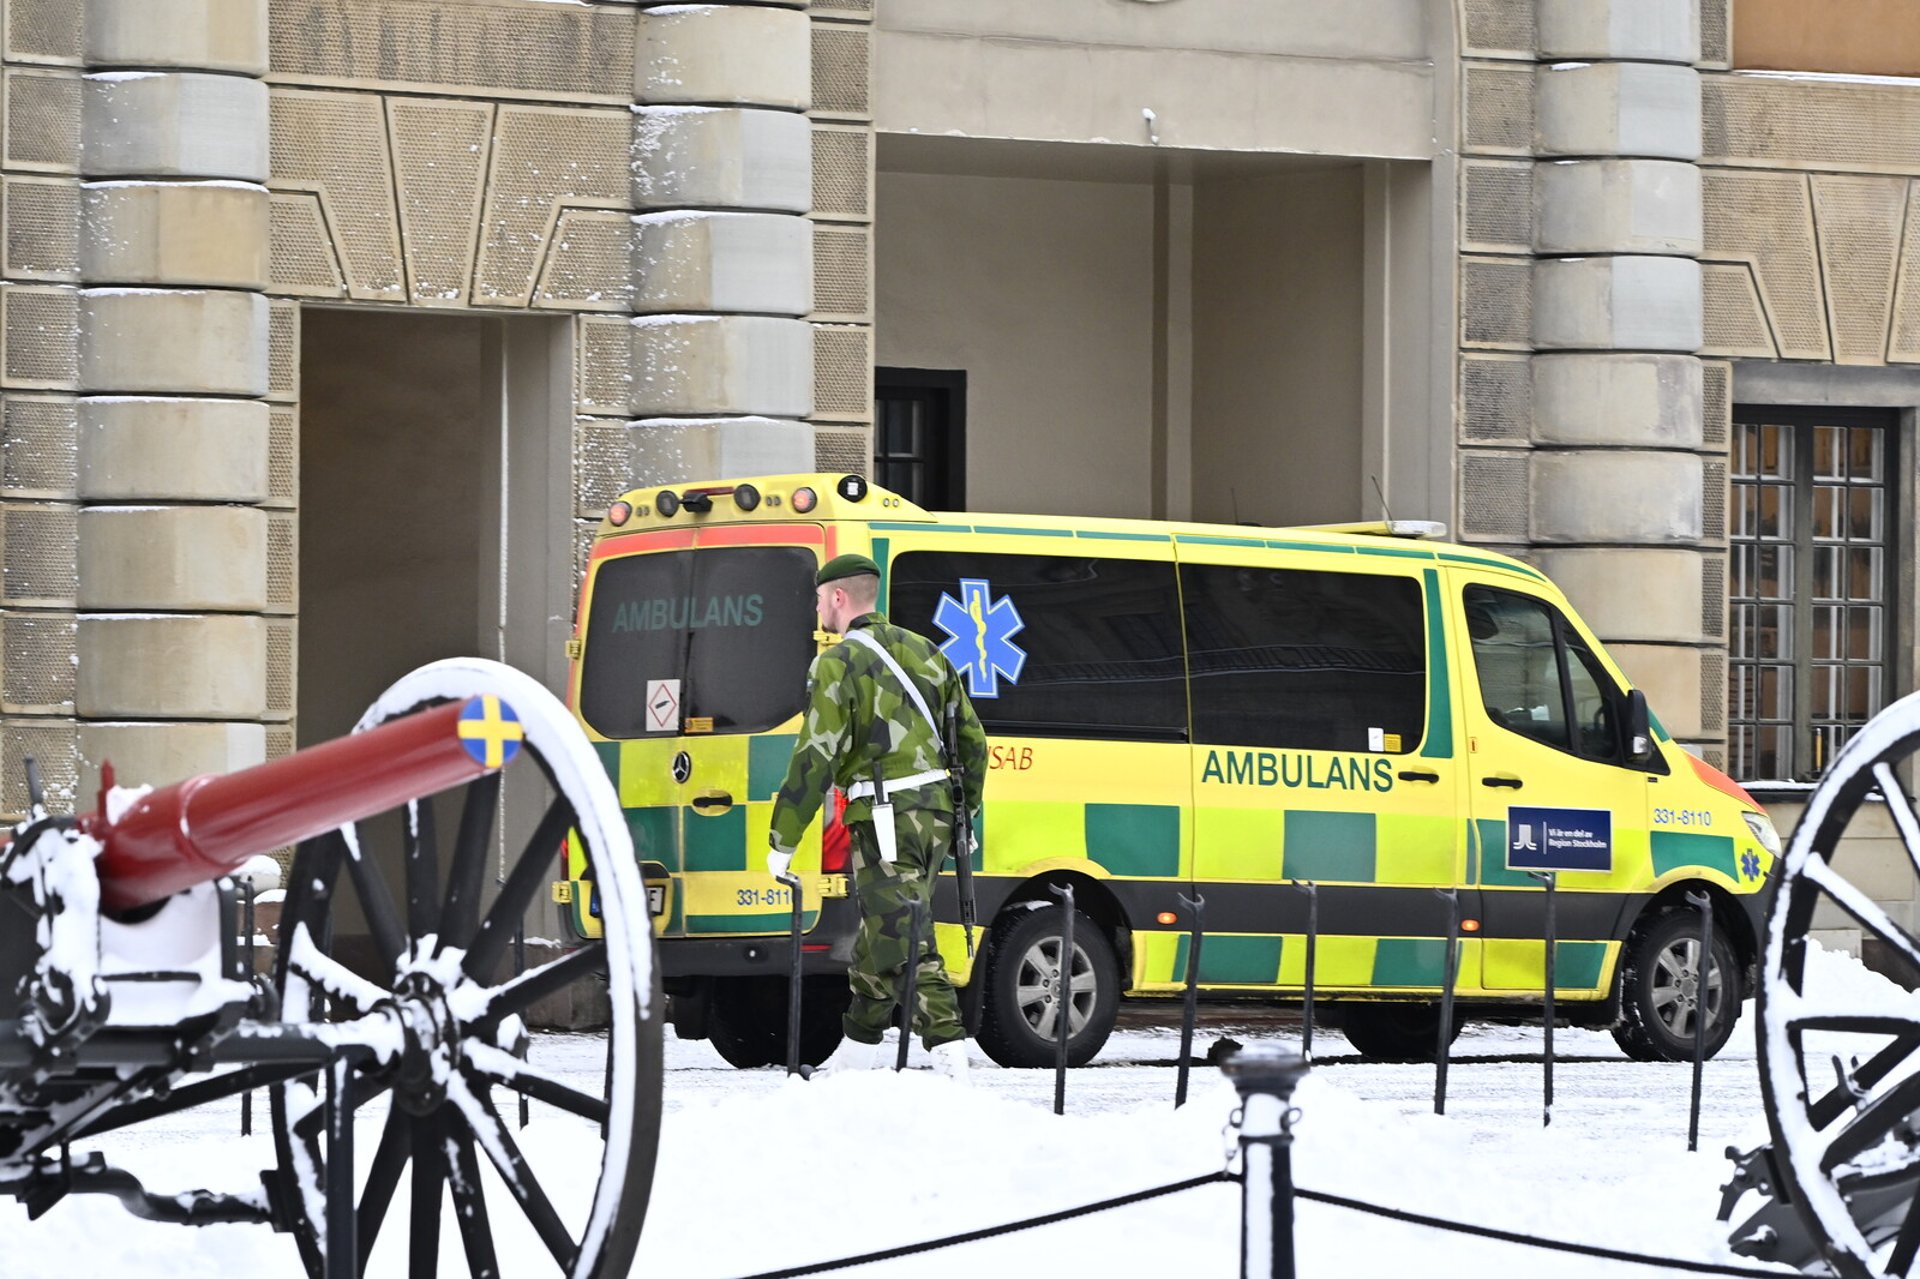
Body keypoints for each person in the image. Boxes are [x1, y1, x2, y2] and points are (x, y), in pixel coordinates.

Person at [767, 553, 987, 1079]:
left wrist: (783, 838)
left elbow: (815, 755)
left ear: (838, 598)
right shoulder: (926, 652)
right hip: (936, 816)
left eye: (821, 598)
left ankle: (953, 1056)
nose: (817, 608)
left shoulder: (837, 663)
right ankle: (856, 1052)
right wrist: (965, 815)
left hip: (887, 816)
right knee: (881, 932)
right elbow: (974, 743)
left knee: (905, 931)